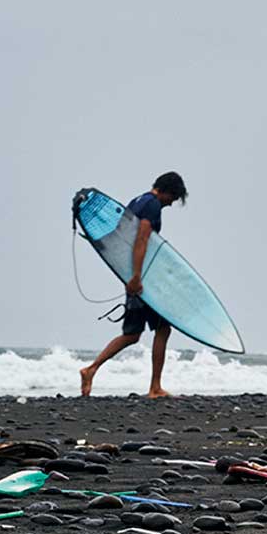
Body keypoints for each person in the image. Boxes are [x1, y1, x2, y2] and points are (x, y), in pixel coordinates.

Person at [80, 171, 188, 398]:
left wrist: (130, 274)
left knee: (132, 334)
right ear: (168, 190)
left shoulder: (138, 202)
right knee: (162, 328)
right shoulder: (152, 206)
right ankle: (154, 388)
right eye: (173, 198)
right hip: (142, 280)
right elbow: (141, 239)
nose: (171, 204)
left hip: (132, 274)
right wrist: (137, 277)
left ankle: (91, 369)